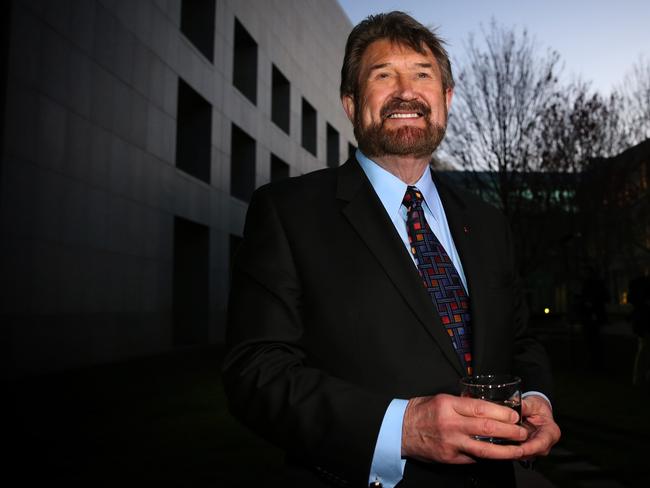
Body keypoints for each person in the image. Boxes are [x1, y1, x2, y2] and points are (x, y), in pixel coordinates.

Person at [223, 11, 560, 488]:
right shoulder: (287, 211)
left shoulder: (487, 223)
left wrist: (538, 398)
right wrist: (402, 429)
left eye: (423, 75)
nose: (406, 91)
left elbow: (521, 341)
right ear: (351, 103)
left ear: (446, 99)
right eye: (383, 76)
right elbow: (255, 374)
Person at [629, 274, 650, 385]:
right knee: (643, 349)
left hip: (643, 323)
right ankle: (639, 377)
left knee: (643, 349)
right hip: (644, 323)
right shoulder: (641, 286)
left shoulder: (639, 285)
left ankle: (640, 377)